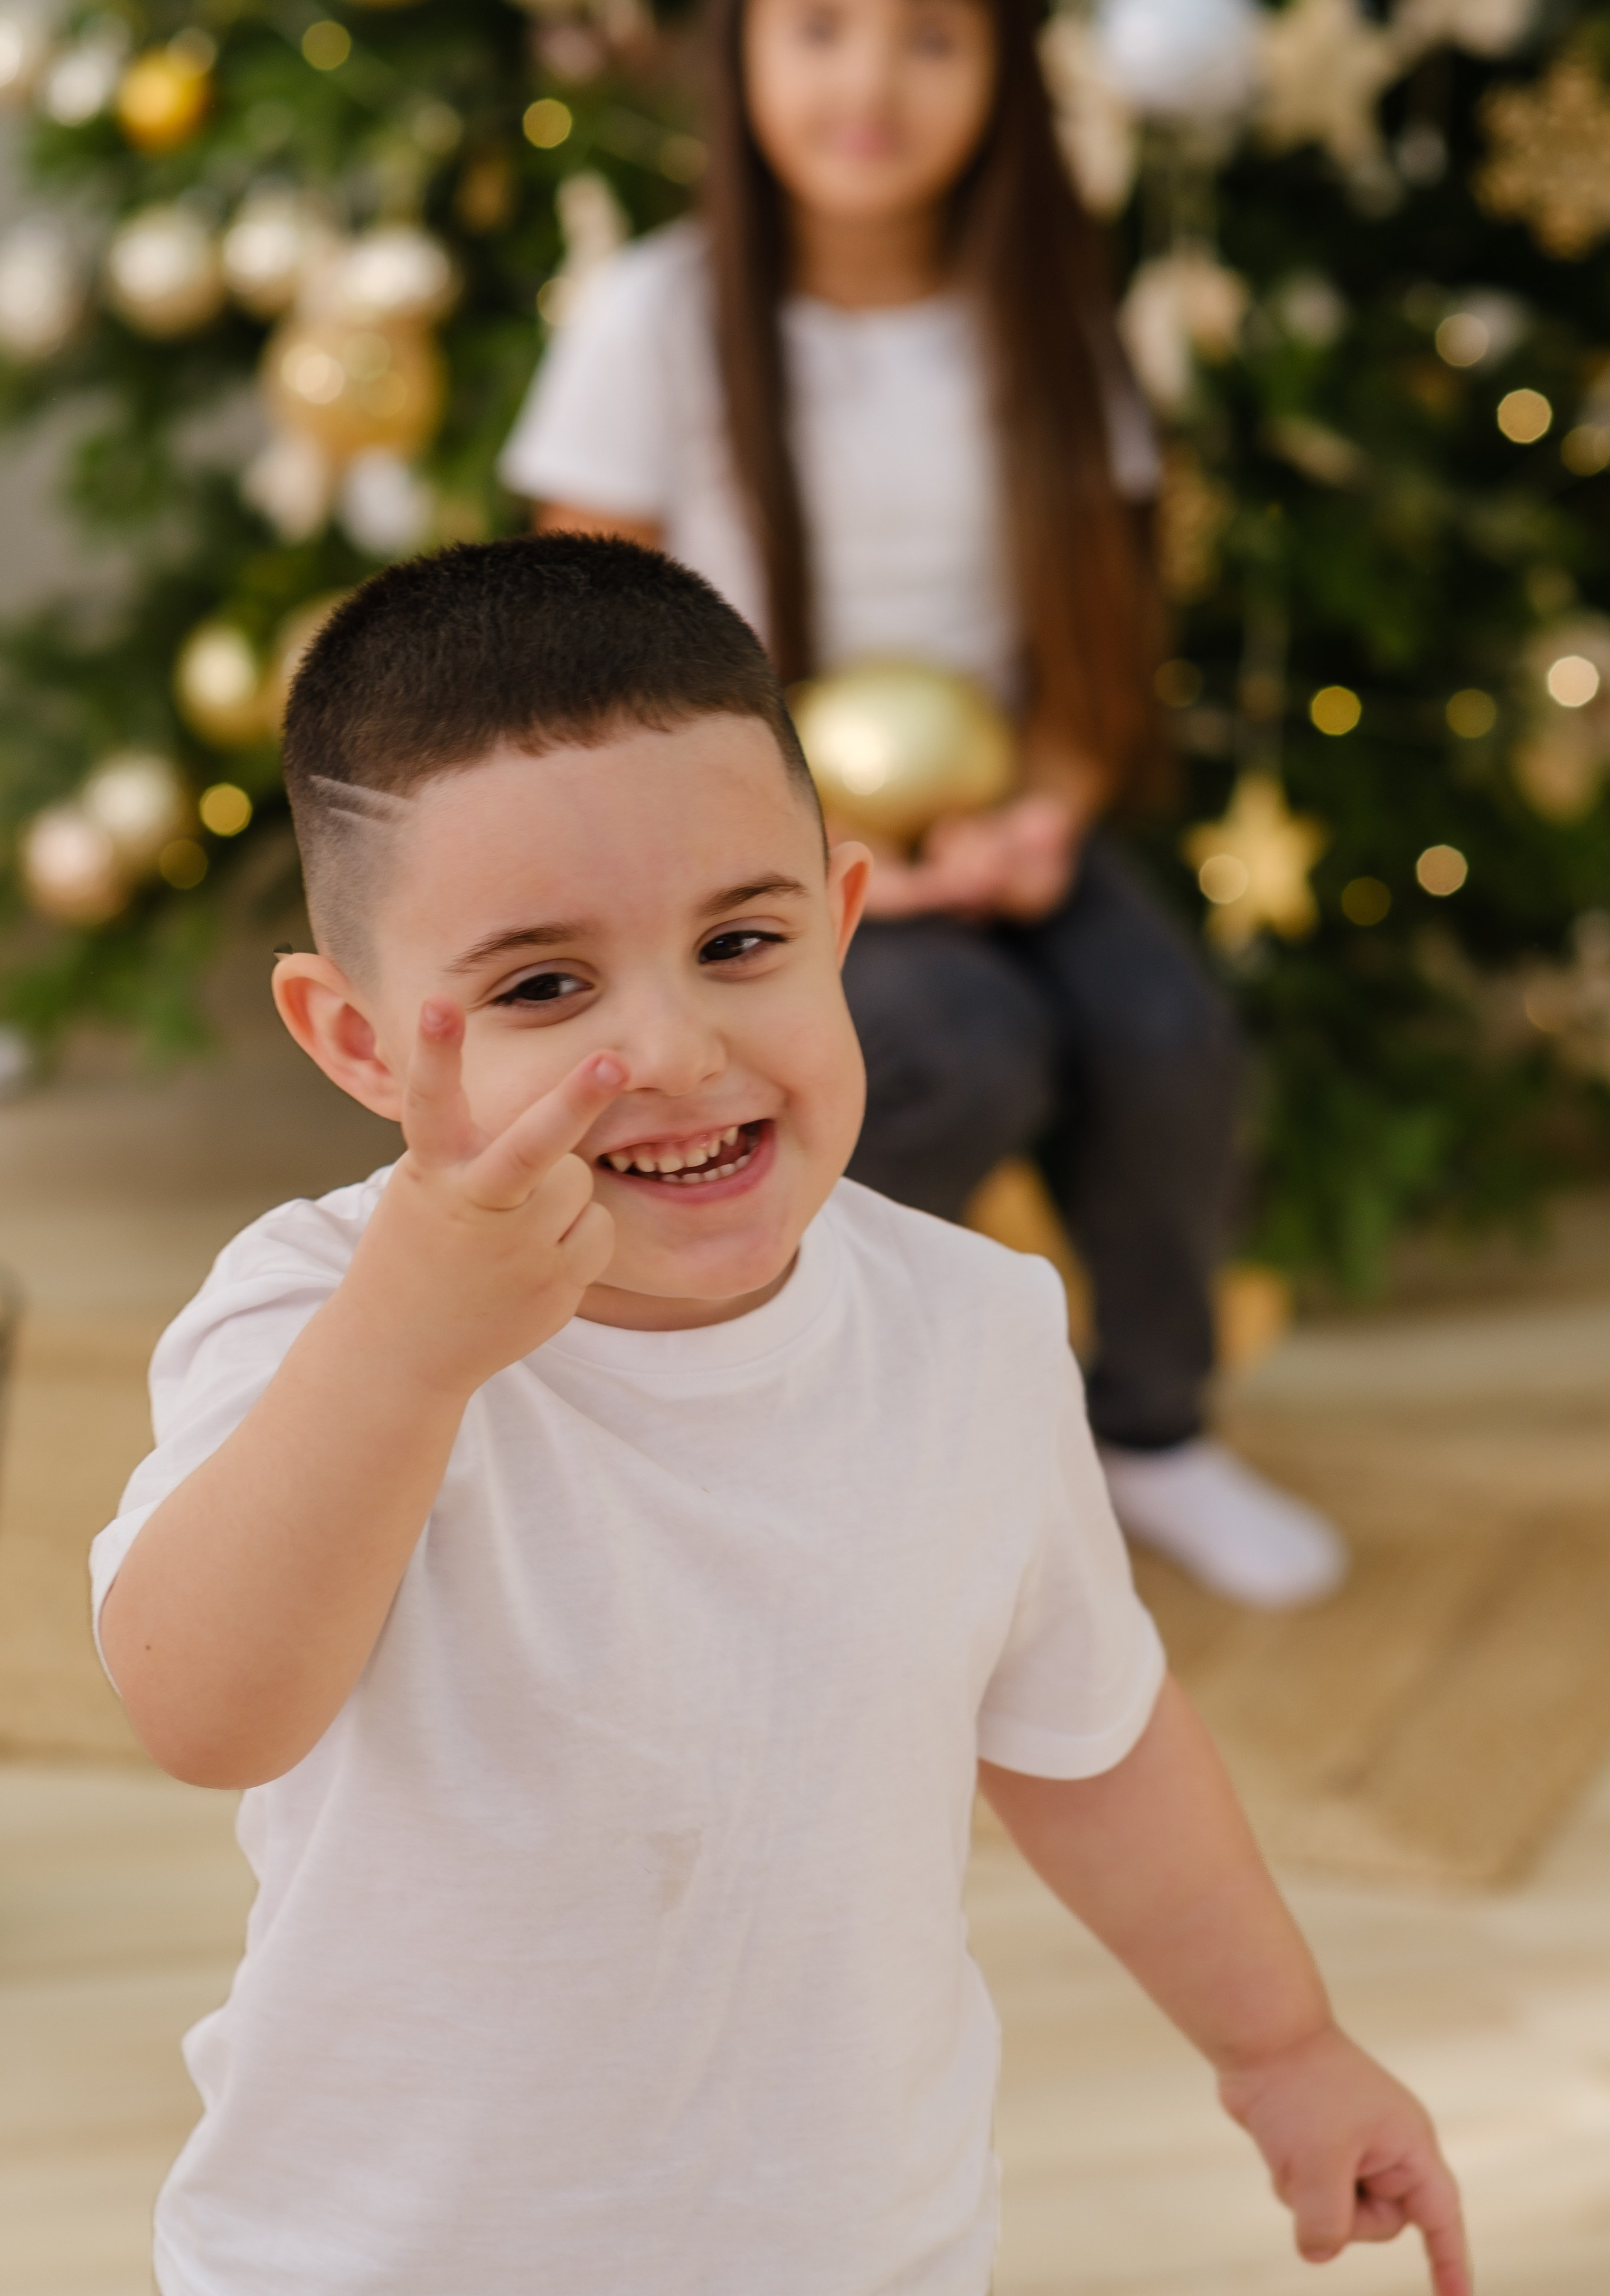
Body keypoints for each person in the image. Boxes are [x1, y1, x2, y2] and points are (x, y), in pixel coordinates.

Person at [91, 535, 1466, 2296]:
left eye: (741, 941)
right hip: (384, 2258)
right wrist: (409, 1349)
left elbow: (1093, 1737)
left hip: (859, 2251)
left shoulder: (973, 1325)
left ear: (846, 920)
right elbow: (205, 1709)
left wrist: (1282, 2047)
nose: (671, 1047)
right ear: (357, 1040)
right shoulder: (310, 1316)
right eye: (540, 987)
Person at [499, 0, 1346, 1611]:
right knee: (954, 1044)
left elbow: (1094, 643)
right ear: (741, 50)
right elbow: (579, 667)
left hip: (1000, 814)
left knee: (1165, 1032)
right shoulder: (655, 318)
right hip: (738, 867)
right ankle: (789, 1410)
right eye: (821, 26)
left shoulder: (1044, 326)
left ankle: (1153, 1429)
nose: (870, 79)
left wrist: (1047, 817)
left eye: (934, 35)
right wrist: (783, 873)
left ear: (1005, 76)